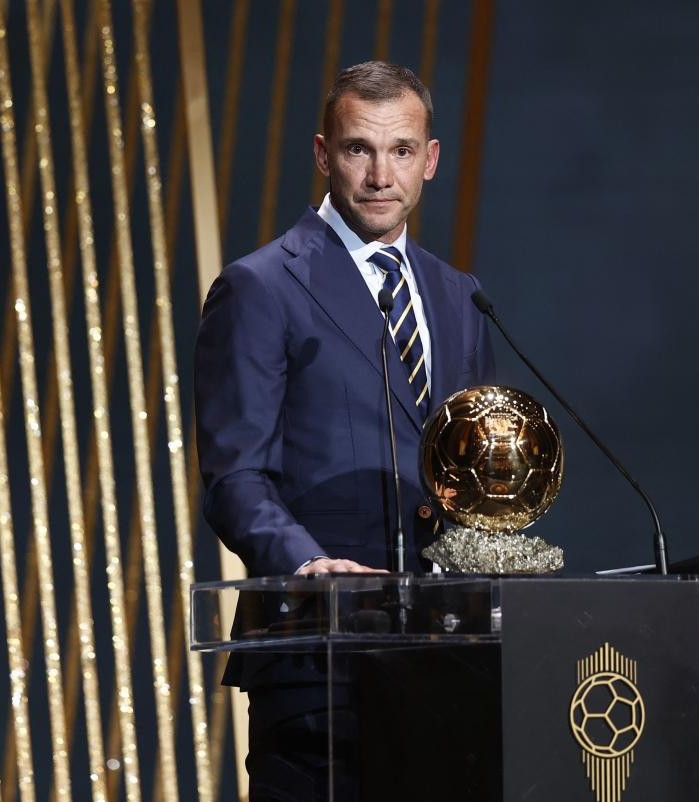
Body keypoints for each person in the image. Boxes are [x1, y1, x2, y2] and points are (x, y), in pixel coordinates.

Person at [195, 61, 496, 800]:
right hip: (318, 666)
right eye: (360, 149)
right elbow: (236, 476)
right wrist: (308, 566)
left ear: (428, 160)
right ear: (325, 154)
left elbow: (474, 477)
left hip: (446, 661)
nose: (379, 175)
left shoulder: (460, 297)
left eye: (400, 151)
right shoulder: (261, 286)